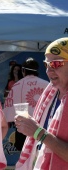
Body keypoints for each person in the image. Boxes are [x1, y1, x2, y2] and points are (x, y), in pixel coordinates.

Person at [15, 37, 68, 170]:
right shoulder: (50, 94)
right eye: (46, 65)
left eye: (56, 64)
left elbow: (40, 133)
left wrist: (38, 132)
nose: (49, 71)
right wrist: (30, 127)